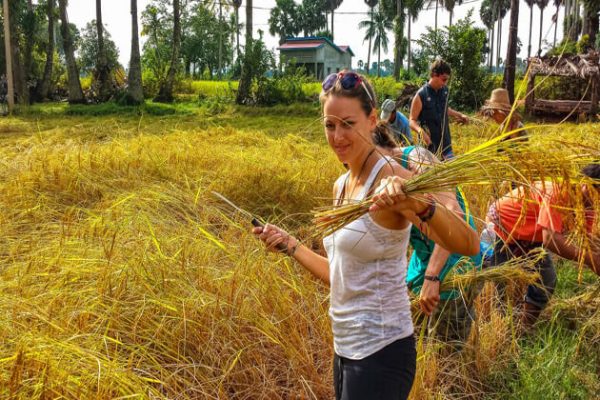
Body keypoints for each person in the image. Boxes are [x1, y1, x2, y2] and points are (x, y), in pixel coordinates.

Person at [253, 70, 480, 400]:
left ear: (372, 120)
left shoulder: (389, 175)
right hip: (345, 350)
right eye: (330, 125)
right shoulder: (341, 185)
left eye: (348, 124)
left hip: (381, 351)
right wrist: (290, 245)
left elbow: (469, 242)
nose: (337, 136)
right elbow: (340, 276)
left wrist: (417, 204)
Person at [373, 127, 483, 345]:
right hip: (423, 262)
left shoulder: (416, 158)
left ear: (383, 145)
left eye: (370, 155)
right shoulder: (380, 177)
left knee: (446, 349)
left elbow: (453, 212)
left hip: (453, 264)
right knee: (417, 340)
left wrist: (433, 276)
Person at [487, 164, 600, 327]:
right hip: (503, 227)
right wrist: (589, 259)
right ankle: (497, 331)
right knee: (499, 285)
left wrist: (595, 259)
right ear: (585, 185)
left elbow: (588, 241)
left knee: (546, 280)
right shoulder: (559, 191)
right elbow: (551, 239)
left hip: (529, 236)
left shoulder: (589, 204)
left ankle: (523, 328)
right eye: (597, 194)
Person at [409, 59, 469, 160]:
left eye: (447, 80)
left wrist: (460, 115)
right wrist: (420, 132)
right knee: (432, 174)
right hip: (429, 147)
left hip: (446, 144)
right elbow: (411, 120)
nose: (445, 83)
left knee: (449, 172)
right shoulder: (421, 95)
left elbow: (445, 109)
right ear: (434, 74)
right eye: (443, 79)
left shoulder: (445, 91)